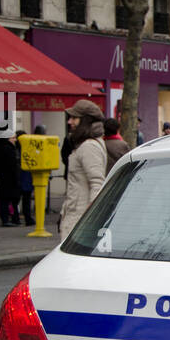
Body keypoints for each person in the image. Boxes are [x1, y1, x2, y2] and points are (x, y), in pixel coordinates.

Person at [59, 99, 107, 241]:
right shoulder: (86, 144)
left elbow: (97, 183)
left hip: (79, 218)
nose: (70, 122)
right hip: (76, 215)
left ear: (85, 120)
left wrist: (90, 219)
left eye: (75, 118)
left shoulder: (88, 147)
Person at [0, 130, 22, 226]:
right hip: (9, 178)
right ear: (8, 138)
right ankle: (12, 219)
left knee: (4, 200)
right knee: (12, 200)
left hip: (2, 178)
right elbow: (12, 166)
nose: (15, 140)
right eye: (13, 138)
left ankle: (7, 219)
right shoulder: (9, 149)